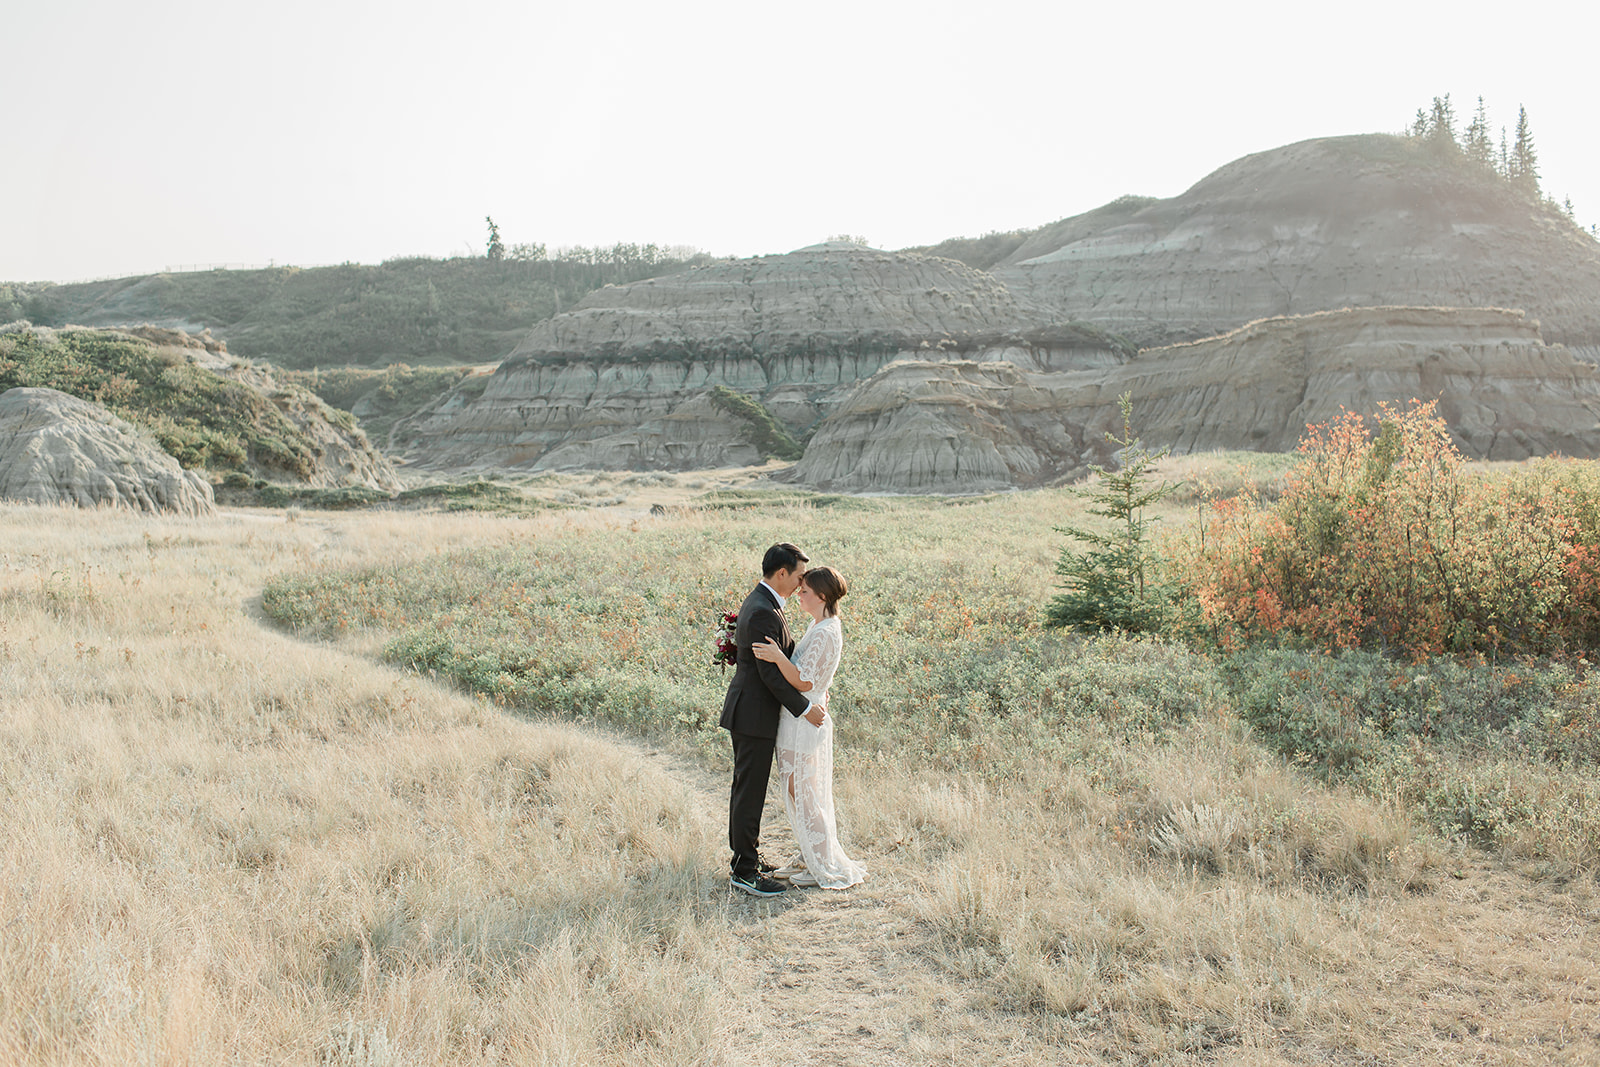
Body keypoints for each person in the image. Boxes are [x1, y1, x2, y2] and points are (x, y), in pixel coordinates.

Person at [720, 543, 825, 897]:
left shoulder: (762, 602)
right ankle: (744, 872)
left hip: (750, 712)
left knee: (746, 790)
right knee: (749, 793)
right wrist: (804, 708)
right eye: (797, 577)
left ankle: (744, 860)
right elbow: (771, 677)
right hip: (753, 714)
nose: (800, 584)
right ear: (781, 573)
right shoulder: (764, 610)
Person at [752, 565, 866, 889]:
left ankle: (821, 860)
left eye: (805, 591)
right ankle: (810, 853)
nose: (798, 594)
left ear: (823, 596)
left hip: (804, 721)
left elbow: (804, 680)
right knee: (800, 788)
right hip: (799, 719)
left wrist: (776, 656)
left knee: (803, 790)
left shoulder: (826, 631)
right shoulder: (820, 626)